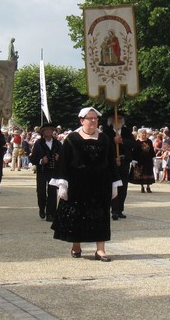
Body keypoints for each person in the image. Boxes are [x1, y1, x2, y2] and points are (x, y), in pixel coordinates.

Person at [50, 107, 121, 262]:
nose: (94, 121)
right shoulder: (72, 139)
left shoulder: (104, 139)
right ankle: (76, 245)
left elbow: (111, 163)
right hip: (78, 183)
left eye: (96, 119)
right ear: (82, 120)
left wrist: (115, 183)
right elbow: (63, 163)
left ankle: (100, 250)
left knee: (101, 215)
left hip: (100, 182)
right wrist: (62, 184)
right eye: (90, 118)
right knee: (78, 214)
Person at [103, 111, 136, 220]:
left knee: (123, 186)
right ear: (111, 120)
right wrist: (112, 158)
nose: (118, 120)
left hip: (124, 162)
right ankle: (114, 210)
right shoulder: (106, 132)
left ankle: (120, 209)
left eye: (120, 118)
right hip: (112, 162)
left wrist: (122, 141)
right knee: (113, 186)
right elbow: (104, 147)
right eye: (116, 118)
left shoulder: (126, 131)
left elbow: (134, 144)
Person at [31, 122, 61, 221]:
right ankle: (42, 208)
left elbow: (64, 157)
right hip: (42, 171)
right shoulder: (38, 143)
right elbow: (32, 158)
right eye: (46, 130)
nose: (48, 131)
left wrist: (59, 158)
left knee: (52, 192)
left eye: (50, 130)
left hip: (53, 171)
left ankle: (51, 213)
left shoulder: (58, 143)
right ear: (43, 132)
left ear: (53, 131)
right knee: (41, 191)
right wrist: (41, 161)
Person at [131, 128, 156, 193]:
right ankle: (142, 187)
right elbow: (135, 152)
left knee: (148, 172)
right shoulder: (137, 142)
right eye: (142, 133)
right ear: (139, 134)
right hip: (140, 160)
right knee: (141, 173)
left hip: (148, 159)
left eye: (144, 133)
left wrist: (153, 157)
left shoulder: (149, 141)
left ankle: (148, 187)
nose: (144, 134)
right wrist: (134, 159)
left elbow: (152, 150)